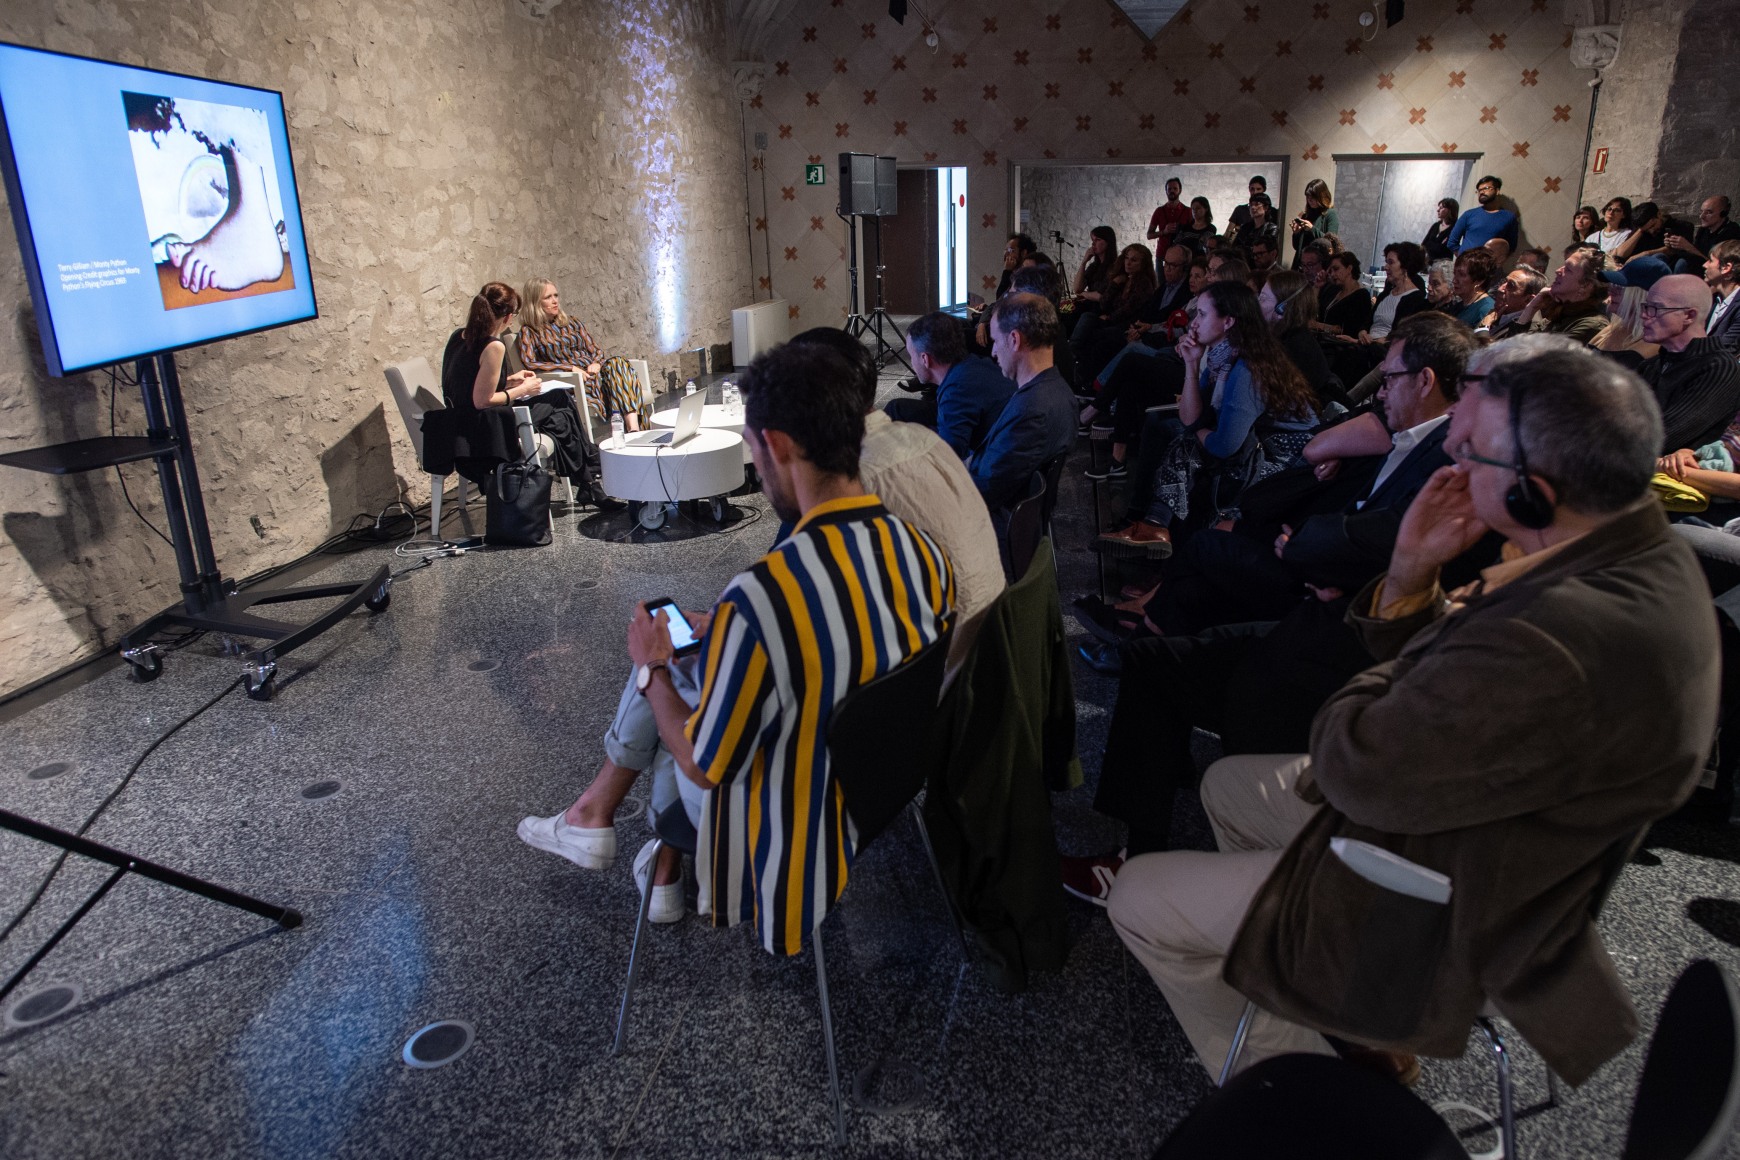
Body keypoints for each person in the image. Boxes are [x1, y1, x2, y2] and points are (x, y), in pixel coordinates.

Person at [1109, 337, 1719, 1087]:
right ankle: (1339, 1019)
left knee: (1141, 901)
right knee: (1228, 784)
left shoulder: (1560, 630)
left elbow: (1356, 755)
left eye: (1472, 457)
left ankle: (1307, 1104)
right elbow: (1432, 685)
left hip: (1465, 901)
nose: (1455, 468)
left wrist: (1393, 629)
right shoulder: (1626, 552)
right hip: (1482, 834)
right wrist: (1408, 577)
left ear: (1533, 488)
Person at [520, 340, 957, 947]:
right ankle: (638, 851)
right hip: (884, 782)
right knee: (697, 665)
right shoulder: (922, 549)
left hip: (788, 822)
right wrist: (725, 633)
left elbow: (707, 762)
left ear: (776, 446)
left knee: (670, 685)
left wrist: (652, 669)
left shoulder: (766, 593)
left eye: (753, 447)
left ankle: (622, 834)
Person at [1072, 316, 1477, 878]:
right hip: (1331, 601)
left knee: (1185, 602)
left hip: (1342, 642)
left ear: (1425, 380)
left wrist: (1315, 551)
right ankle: (1149, 807)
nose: (1381, 390)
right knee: (1184, 608)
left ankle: (1138, 858)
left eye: (1390, 378)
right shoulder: (1417, 439)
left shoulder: (1450, 459)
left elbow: (1387, 538)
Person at [1099, 282, 1320, 551]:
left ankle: (1157, 535)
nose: (1194, 322)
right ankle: (1154, 528)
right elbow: (1191, 415)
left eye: (1202, 314)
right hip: (1260, 441)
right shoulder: (1222, 357)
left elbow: (1223, 445)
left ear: (1228, 321)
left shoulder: (1246, 369)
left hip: (1288, 457)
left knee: (1190, 446)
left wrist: (1196, 429)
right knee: (1183, 440)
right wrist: (1191, 365)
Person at [440, 281, 590, 484]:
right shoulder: (494, 346)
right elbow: (482, 400)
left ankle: (587, 479)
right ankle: (588, 472)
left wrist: (509, 380)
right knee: (559, 400)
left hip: (459, 420)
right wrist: (522, 389)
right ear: (508, 317)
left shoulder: (459, 335)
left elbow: (468, 382)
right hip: (482, 426)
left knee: (559, 420)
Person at [971, 293, 1078, 516]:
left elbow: (985, 493)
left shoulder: (1032, 410)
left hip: (992, 527)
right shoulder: (1057, 390)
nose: (993, 352)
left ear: (1014, 340)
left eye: (995, 341)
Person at [515, 278, 649, 431]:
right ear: (535, 302)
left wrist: (597, 363)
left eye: (556, 296)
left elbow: (596, 350)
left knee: (618, 363)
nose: (554, 301)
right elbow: (530, 363)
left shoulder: (571, 322)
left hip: (596, 374)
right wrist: (569, 368)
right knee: (623, 382)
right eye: (548, 297)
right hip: (574, 382)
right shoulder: (529, 331)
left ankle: (633, 429)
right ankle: (635, 431)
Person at [891, 312, 1016, 460]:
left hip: (987, 465)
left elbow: (949, 459)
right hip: (998, 447)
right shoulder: (975, 364)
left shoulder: (956, 391)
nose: (912, 363)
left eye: (912, 356)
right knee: (896, 408)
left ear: (925, 359)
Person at [1637, 274, 1740, 452]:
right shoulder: (1652, 366)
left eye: (1655, 308)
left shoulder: (1719, 367)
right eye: (1646, 307)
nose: (1645, 315)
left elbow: (1664, 437)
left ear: (1689, 315)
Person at [1509, 248, 1610, 344]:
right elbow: (1513, 347)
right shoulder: (1560, 312)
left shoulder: (1591, 325)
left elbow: (1529, 355)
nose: (1558, 271)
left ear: (1586, 285)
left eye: (1568, 269)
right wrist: (1531, 308)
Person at [1445, 174, 1519, 254]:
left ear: (1497, 191)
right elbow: (1451, 243)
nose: (1482, 192)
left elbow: (1510, 247)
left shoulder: (1508, 217)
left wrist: (1497, 262)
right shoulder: (1469, 214)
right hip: (1466, 264)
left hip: (1490, 265)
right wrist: (1463, 259)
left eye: (1486, 188)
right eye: (1479, 190)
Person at [1665, 195, 1740, 271]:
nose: (1701, 216)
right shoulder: (1703, 230)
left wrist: (1689, 247)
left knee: (1682, 263)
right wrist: (1675, 246)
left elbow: (1717, 267)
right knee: (1660, 257)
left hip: (1713, 273)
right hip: (1698, 268)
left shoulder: (1732, 233)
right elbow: (1696, 255)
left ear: (1723, 213)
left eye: (1708, 212)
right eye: (1701, 212)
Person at [1309, 252, 1373, 338]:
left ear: (1349, 269)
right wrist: (1317, 287)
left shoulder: (1361, 296)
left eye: (1336, 269)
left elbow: (1350, 329)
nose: (1332, 274)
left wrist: (1319, 326)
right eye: (1330, 271)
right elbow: (1311, 309)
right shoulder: (1334, 290)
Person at [1483, 265, 1547, 338]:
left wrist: (1483, 327)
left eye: (1511, 285)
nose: (1500, 289)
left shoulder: (1529, 331)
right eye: (1504, 282)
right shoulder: (1496, 310)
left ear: (1528, 300)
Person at [1288, 179, 1338, 267]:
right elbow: (1297, 247)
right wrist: (1296, 233)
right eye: (1308, 197)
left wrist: (1312, 229)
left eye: (1313, 197)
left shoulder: (1330, 214)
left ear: (1321, 197)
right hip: (1301, 265)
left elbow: (1331, 243)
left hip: (1318, 265)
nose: (1310, 200)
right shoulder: (1305, 215)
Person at [1705, 238, 1740, 355]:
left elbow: (1725, 346)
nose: (1705, 265)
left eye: (1710, 261)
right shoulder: (1714, 299)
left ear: (1726, 268)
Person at [1450, 249, 1498, 328]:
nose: (1454, 280)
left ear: (1479, 280)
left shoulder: (1486, 310)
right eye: (1454, 273)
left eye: (1462, 275)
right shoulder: (1459, 306)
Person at [1148, 176, 1192, 245]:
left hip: (1181, 253)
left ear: (1180, 190)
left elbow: (1194, 233)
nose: (1172, 191)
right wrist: (1164, 232)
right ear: (1166, 191)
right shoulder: (1159, 211)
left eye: (1175, 188)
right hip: (1163, 253)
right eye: (1169, 189)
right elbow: (1149, 235)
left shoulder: (1188, 211)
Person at [1421, 198, 1458, 264]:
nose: (1438, 210)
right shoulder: (1436, 225)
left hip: (1443, 266)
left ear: (1450, 210)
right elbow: (1424, 244)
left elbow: (1443, 249)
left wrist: (1431, 244)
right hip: (1428, 264)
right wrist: (1438, 245)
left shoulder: (1455, 228)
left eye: (1441, 208)